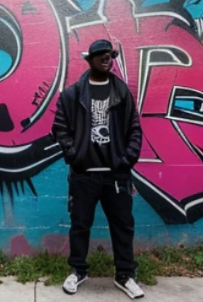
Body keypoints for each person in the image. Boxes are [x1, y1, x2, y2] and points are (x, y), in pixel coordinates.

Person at [51, 39, 144, 299]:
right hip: (84, 174)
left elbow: (135, 129)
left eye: (110, 55)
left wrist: (127, 159)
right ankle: (78, 270)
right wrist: (74, 155)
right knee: (80, 224)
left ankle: (125, 274)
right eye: (102, 55)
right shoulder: (73, 94)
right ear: (90, 59)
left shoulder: (122, 92)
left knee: (123, 225)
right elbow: (60, 128)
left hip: (116, 174)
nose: (107, 59)